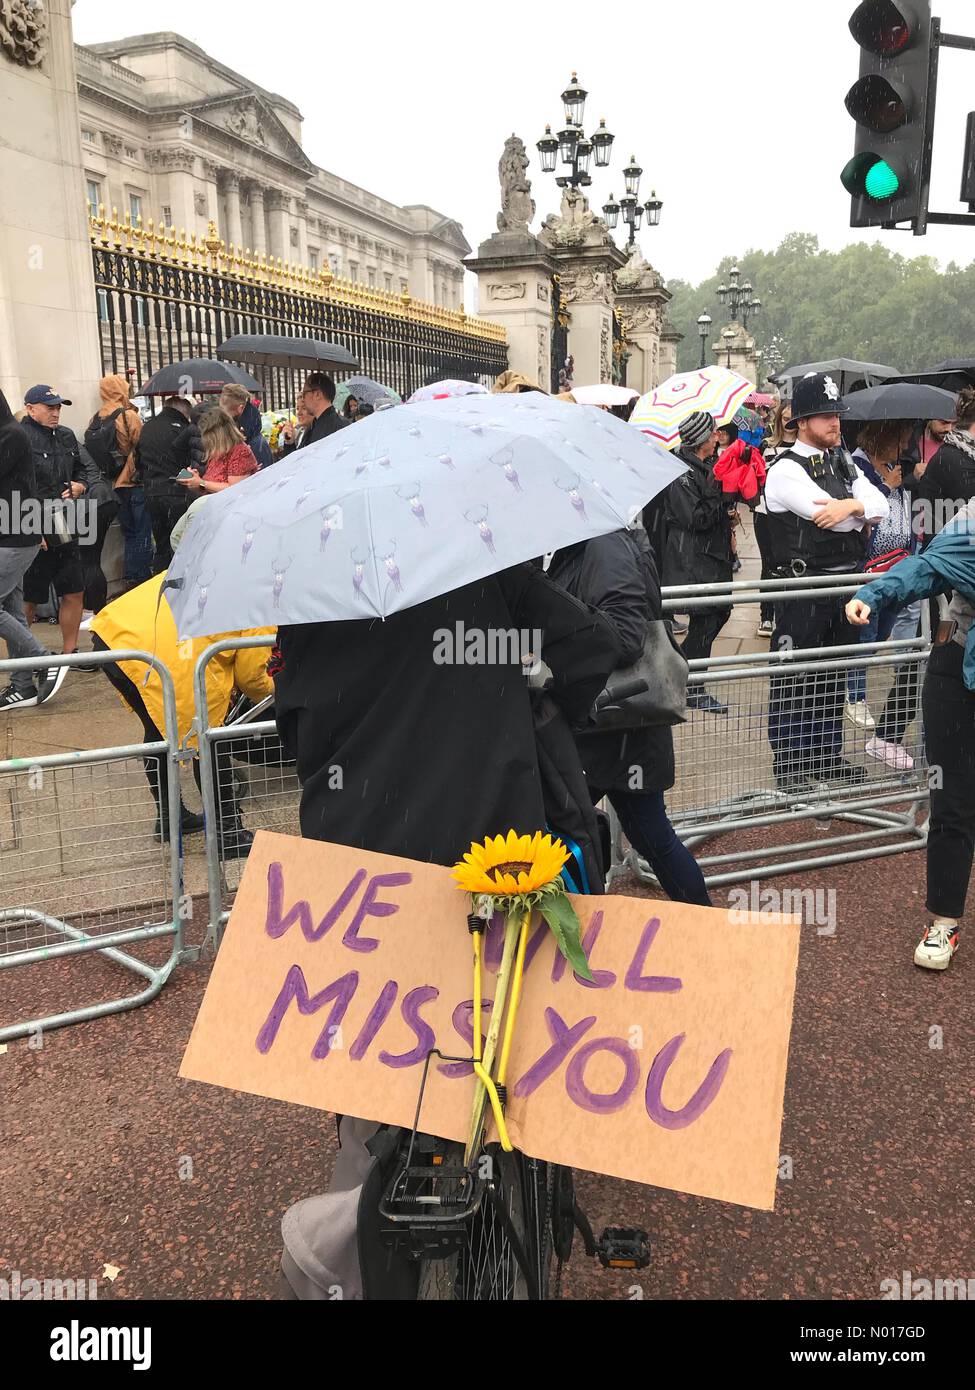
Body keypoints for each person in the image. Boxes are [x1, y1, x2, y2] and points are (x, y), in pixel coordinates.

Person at [273, 562, 620, 1300]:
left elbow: (291, 722)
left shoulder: (315, 595)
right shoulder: (487, 575)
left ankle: (360, 1213)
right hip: (492, 848)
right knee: (504, 1029)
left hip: (359, 865)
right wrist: (529, 692)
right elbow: (594, 650)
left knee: (375, 1061)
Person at [547, 525, 711, 905]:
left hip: (614, 723)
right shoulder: (595, 542)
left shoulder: (604, 546)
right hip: (616, 724)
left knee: (563, 826)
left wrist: (554, 647)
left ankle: (703, 924)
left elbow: (623, 636)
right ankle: (705, 923)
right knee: (649, 835)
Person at [846, 499, 975, 971]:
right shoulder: (973, 519)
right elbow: (929, 567)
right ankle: (944, 922)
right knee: (951, 800)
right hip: (955, 670)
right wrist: (875, 593)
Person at [89, 530, 273, 850]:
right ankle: (227, 832)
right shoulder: (262, 594)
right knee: (206, 739)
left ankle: (171, 817)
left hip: (117, 633)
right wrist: (278, 693)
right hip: (154, 647)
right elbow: (252, 675)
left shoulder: (226, 567)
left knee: (158, 730)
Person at [763, 372, 889, 792]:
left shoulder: (843, 461)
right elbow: (828, 523)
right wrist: (857, 510)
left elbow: (880, 504)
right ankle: (791, 765)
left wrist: (852, 504)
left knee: (832, 677)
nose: (835, 422)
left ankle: (825, 757)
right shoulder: (784, 469)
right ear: (800, 421)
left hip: (841, 586)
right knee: (794, 677)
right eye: (824, 415)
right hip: (802, 590)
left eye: (836, 414)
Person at [662, 410, 734, 714]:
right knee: (706, 618)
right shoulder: (680, 472)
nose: (718, 436)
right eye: (713, 432)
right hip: (693, 558)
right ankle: (692, 687)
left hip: (712, 556)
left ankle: (679, 671)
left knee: (720, 613)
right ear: (702, 438)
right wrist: (724, 501)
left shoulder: (706, 466)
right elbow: (694, 517)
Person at [0, 391, 66, 709]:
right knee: (12, 611)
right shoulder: (15, 433)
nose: (55, 413)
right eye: (49, 407)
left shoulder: (11, 435)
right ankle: (22, 684)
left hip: (15, 537)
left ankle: (44, 660)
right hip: (14, 534)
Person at [19, 385, 91, 662]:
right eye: (49, 407)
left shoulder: (65, 436)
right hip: (30, 521)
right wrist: (32, 527)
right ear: (30, 408)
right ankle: (23, 658)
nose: (56, 412)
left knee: (73, 589)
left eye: (58, 407)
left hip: (65, 519)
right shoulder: (19, 437)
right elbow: (12, 486)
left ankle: (70, 653)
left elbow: (84, 469)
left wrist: (80, 485)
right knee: (28, 596)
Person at [84, 373, 152, 594]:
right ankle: (137, 579)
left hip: (110, 485)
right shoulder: (127, 416)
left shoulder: (96, 418)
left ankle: (129, 578)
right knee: (140, 532)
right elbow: (143, 447)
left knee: (129, 531)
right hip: (132, 481)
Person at [138, 395, 204, 572]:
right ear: (183, 411)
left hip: (152, 493)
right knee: (180, 544)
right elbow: (189, 461)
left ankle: (159, 583)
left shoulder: (147, 427)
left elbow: (138, 461)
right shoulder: (183, 429)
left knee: (161, 546)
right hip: (176, 493)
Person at [754, 402, 798, 636]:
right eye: (785, 418)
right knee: (768, 564)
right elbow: (758, 478)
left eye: (793, 419)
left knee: (789, 564)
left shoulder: (805, 448)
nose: (788, 423)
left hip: (792, 515)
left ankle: (786, 611)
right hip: (765, 512)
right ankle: (766, 615)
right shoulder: (767, 445)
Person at [914, 389, 974, 543]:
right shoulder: (953, 459)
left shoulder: (961, 454)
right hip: (948, 556)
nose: (947, 427)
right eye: (943, 422)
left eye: (951, 423)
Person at [178, 408, 258, 496]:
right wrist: (196, 483)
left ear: (217, 433)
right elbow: (210, 486)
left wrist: (202, 482)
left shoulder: (240, 452)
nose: (204, 439)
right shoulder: (218, 452)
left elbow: (235, 490)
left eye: (206, 434)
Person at [218, 383, 273, 470]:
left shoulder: (256, 444)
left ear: (240, 408)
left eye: (226, 415)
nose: (224, 420)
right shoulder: (248, 436)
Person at [294, 373, 349, 449]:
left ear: (317, 394)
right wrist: (289, 444)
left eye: (304, 394)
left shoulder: (340, 427)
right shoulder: (313, 426)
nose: (303, 399)